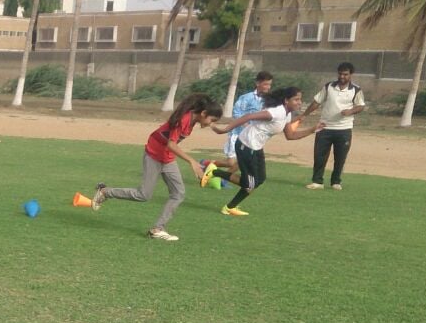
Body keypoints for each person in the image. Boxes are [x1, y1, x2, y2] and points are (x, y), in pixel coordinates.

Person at [89, 94, 221, 242]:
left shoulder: (192, 120)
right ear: (203, 113)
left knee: (178, 193)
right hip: (154, 155)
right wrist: (192, 162)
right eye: (211, 120)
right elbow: (171, 144)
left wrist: (220, 129)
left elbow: (171, 145)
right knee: (143, 195)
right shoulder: (184, 119)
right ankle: (105, 192)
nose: (210, 124)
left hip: (167, 158)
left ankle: (157, 229)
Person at [208, 86, 322, 216]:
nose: (299, 102)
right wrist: (226, 129)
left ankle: (228, 202)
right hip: (246, 145)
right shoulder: (276, 112)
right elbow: (248, 116)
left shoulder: (287, 114)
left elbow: (290, 136)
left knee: (260, 179)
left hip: (256, 148)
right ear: (286, 101)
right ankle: (215, 175)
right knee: (250, 184)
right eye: (296, 99)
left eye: (300, 99)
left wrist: (313, 129)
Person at [301, 61, 365, 190]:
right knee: (319, 156)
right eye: (340, 74)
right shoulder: (329, 86)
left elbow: (361, 106)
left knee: (340, 157)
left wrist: (350, 111)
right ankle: (317, 181)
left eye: (345, 74)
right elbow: (316, 102)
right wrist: (304, 115)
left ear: (351, 75)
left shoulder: (356, 90)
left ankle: (336, 182)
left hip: (344, 129)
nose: (342, 77)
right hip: (324, 127)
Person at [207, 71, 272, 180]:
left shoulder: (269, 101)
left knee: (242, 162)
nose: (268, 87)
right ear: (257, 83)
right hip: (237, 134)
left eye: (270, 84)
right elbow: (236, 113)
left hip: (252, 137)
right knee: (230, 162)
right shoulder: (246, 98)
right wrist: (246, 125)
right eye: (265, 84)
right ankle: (207, 164)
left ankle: (223, 180)